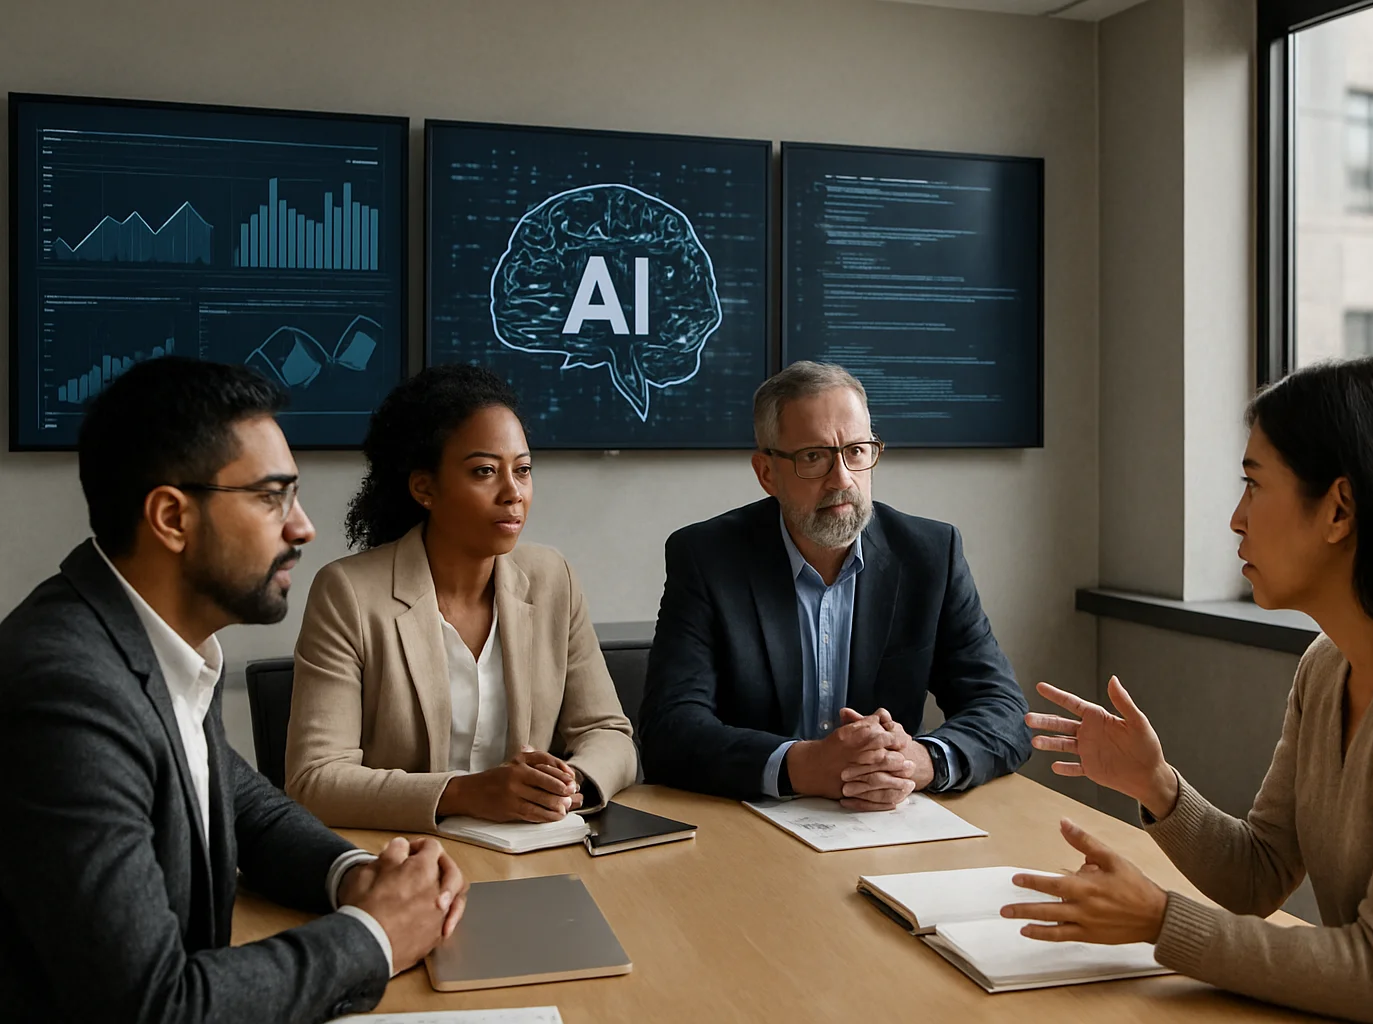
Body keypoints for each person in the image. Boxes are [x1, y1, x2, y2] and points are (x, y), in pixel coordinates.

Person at [1014, 358, 1373, 1023]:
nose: (1236, 519)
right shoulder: (1327, 666)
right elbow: (1258, 875)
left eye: (1253, 486)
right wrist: (1158, 786)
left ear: (1339, 510)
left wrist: (1159, 919)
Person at [0, 358, 468, 1022]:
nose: (303, 527)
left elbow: (245, 804)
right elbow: (156, 1006)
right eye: (271, 496)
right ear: (171, 517)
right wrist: (376, 934)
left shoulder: (148, 639)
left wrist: (355, 875)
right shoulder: (68, 693)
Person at [639, 360, 1031, 806]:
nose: (842, 479)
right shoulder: (708, 558)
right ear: (767, 473)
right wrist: (802, 766)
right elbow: (669, 732)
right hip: (750, 822)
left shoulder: (929, 555)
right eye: (814, 457)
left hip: (886, 821)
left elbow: (1004, 713)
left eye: (856, 452)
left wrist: (920, 762)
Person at [286, 364, 636, 833]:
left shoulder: (553, 579)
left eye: (524, 470)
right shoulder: (347, 594)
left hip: (532, 851)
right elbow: (315, 779)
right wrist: (466, 793)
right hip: (407, 858)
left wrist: (564, 784)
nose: (513, 493)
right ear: (424, 487)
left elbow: (609, 733)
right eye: (485, 471)